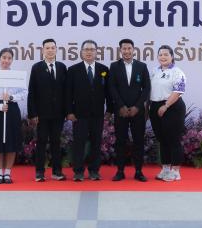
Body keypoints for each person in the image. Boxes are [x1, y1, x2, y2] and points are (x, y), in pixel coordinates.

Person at [0, 47, 28, 184]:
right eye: (4, 58)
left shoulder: (17, 76)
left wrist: (12, 97)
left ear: (12, 60)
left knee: (11, 142)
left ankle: (7, 173)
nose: (6, 60)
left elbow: (24, 92)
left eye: (9, 58)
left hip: (12, 109)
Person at [108, 38, 151, 182]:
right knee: (120, 141)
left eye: (129, 48)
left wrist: (137, 107)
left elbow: (146, 88)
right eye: (124, 49)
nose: (126, 51)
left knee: (138, 141)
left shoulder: (142, 66)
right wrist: (121, 106)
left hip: (137, 112)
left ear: (133, 50)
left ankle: (139, 171)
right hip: (120, 111)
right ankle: (120, 171)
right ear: (120, 50)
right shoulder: (114, 66)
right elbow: (112, 87)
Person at [65, 39, 108, 182]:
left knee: (96, 143)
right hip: (79, 114)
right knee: (79, 143)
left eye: (92, 50)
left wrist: (109, 110)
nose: (89, 52)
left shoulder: (104, 70)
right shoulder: (73, 70)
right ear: (81, 52)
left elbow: (108, 92)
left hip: (97, 114)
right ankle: (78, 171)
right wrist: (69, 112)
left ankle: (94, 171)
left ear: (96, 52)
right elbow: (68, 93)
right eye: (86, 50)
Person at [27, 38, 69, 182]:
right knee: (41, 141)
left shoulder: (62, 67)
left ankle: (57, 171)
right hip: (41, 114)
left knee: (56, 142)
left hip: (58, 113)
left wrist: (67, 111)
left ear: (56, 50)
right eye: (47, 48)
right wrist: (33, 113)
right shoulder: (36, 68)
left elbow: (66, 92)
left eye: (52, 48)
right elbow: (32, 92)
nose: (50, 50)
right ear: (43, 50)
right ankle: (39, 172)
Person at [148, 45, 187, 182]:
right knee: (162, 139)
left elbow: (178, 91)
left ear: (172, 56)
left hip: (172, 107)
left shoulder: (177, 72)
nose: (163, 57)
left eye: (166, 54)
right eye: (160, 55)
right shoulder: (154, 71)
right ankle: (165, 169)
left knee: (173, 139)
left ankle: (175, 171)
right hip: (155, 106)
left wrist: (166, 106)